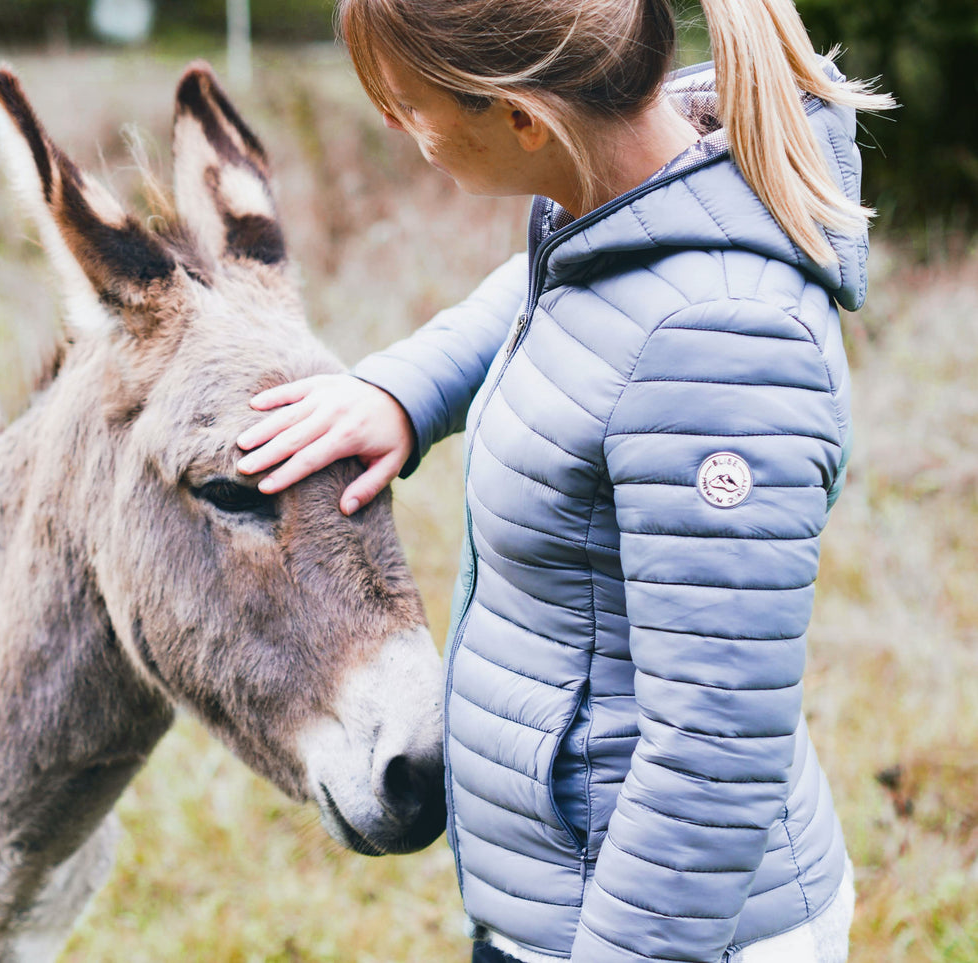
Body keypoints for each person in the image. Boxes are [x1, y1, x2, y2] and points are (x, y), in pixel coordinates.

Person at [234, 0, 892, 960]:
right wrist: (404, 391)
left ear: (520, 120)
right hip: (568, 894)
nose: (395, 126)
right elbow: (556, 299)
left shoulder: (718, 352)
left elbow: (711, 751)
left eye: (408, 103)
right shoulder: (633, 194)